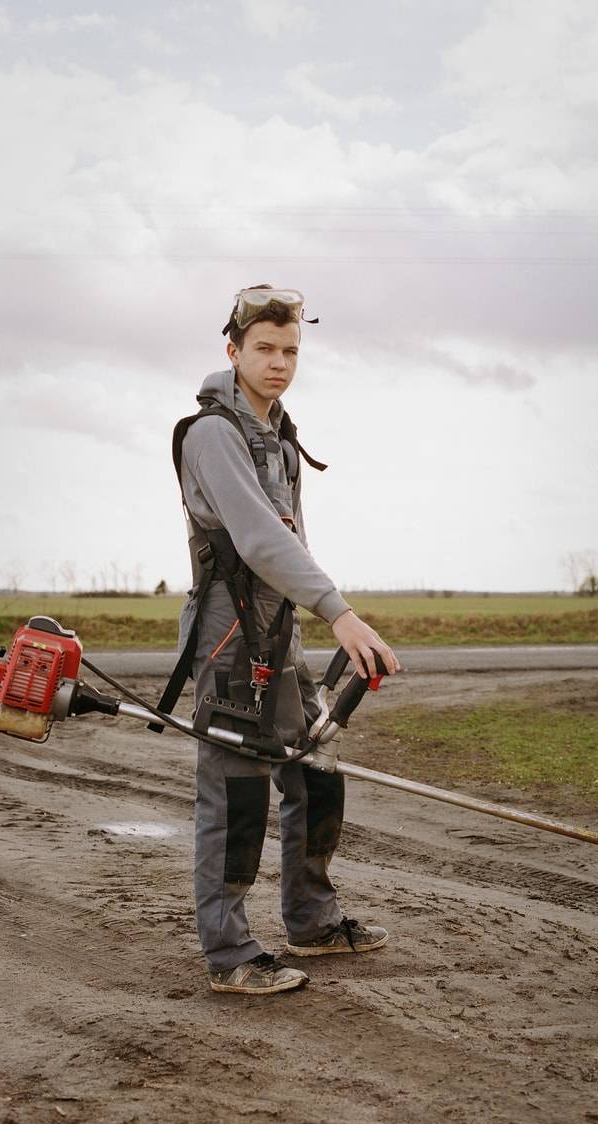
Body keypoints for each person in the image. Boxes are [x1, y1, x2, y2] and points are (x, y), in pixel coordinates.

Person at [173, 285, 400, 995]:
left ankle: (311, 916)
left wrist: (309, 611)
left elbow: (291, 538)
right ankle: (230, 953)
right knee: (237, 792)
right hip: (226, 633)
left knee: (316, 771)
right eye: (264, 349)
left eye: (290, 350)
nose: (278, 363)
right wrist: (341, 611)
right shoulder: (214, 433)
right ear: (233, 351)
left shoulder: (280, 434)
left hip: (279, 626)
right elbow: (260, 538)